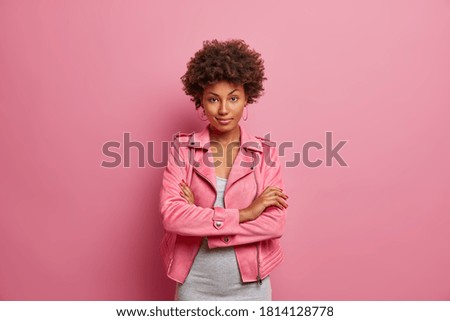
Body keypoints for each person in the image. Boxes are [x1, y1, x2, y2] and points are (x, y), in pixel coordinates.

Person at [159, 39, 288, 301]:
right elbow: (173, 217)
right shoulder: (183, 150)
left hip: (252, 286)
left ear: (246, 98)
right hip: (195, 285)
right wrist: (247, 213)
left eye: (233, 98)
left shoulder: (265, 153)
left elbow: (274, 225)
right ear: (201, 101)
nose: (224, 109)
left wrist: (202, 219)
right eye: (213, 99)